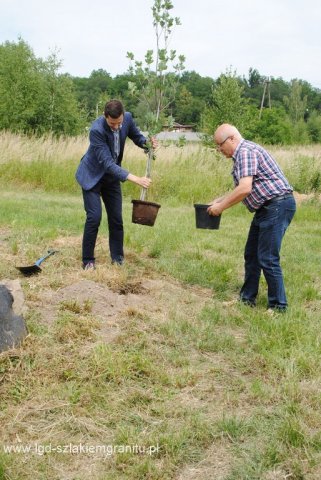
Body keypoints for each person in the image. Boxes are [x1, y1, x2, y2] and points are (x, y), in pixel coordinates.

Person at [208, 124, 296, 311]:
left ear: (231, 139)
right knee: (252, 255)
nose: (219, 149)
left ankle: (278, 307)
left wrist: (221, 208)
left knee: (268, 257)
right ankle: (247, 299)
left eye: (219, 144)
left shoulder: (245, 151)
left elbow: (245, 188)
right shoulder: (242, 154)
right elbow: (244, 186)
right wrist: (220, 200)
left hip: (276, 205)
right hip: (266, 208)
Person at [76, 99, 157, 269]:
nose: (116, 126)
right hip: (92, 176)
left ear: (123, 116)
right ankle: (88, 261)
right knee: (94, 217)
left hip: (111, 179)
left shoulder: (126, 118)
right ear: (105, 117)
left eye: (118, 123)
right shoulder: (96, 130)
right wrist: (135, 179)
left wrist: (148, 144)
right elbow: (107, 163)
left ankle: (117, 259)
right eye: (112, 124)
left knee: (116, 219)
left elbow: (137, 137)